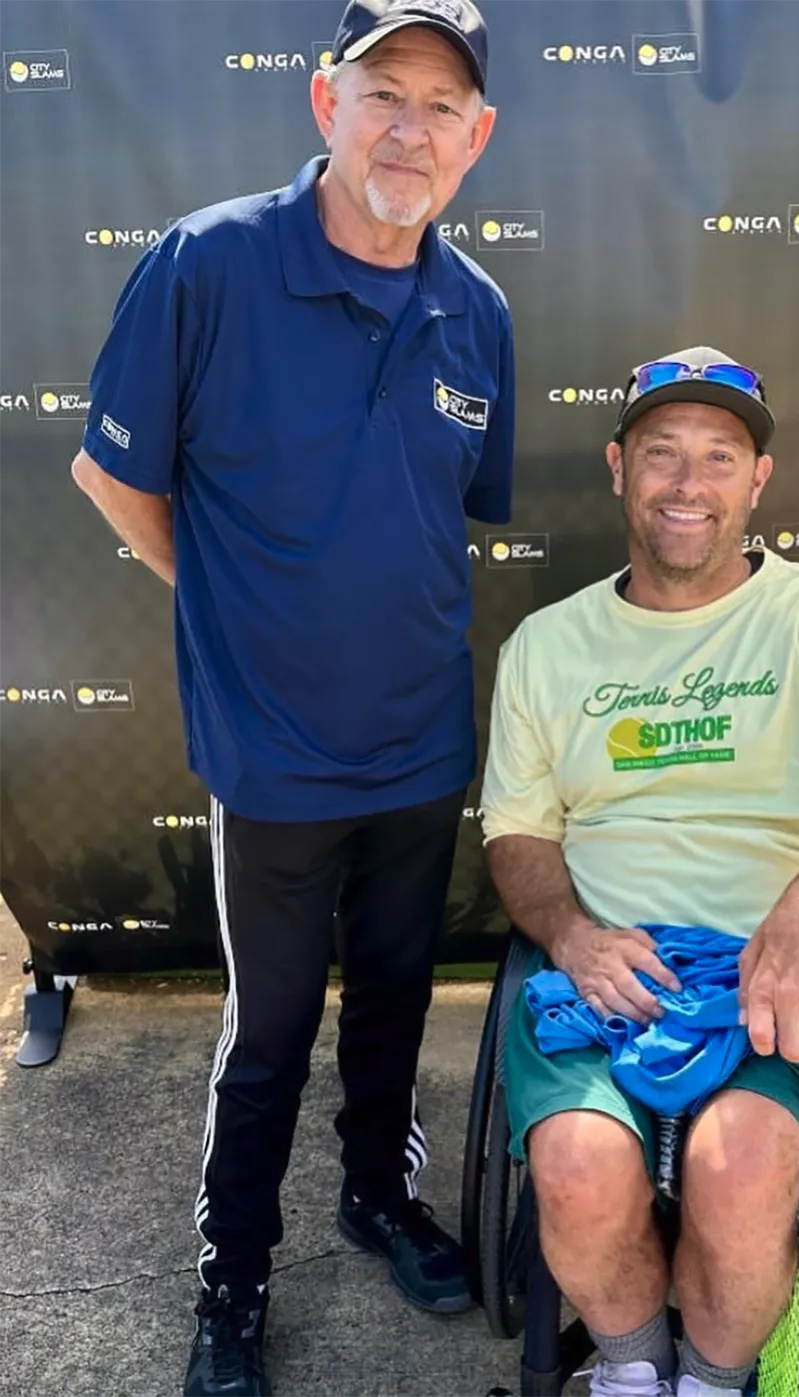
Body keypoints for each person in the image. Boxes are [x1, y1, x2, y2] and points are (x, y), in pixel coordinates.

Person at [70, 3, 508, 1393]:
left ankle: (376, 1197)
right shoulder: (208, 263)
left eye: (443, 106)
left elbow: (455, 516)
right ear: (325, 102)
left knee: (391, 999)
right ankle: (233, 1279)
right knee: (265, 1034)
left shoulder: (479, 310)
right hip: (271, 755)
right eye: (386, 92)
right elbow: (113, 474)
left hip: (422, 742)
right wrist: (223, 595)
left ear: (476, 137)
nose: (411, 129)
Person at [480, 348, 799, 1397]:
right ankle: (636, 1370)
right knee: (578, 1167)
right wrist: (569, 934)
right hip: (611, 971)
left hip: (782, 969)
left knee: (740, 1167)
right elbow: (517, 834)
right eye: (661, 455)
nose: (689, 484)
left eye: (719, 457)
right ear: (616, 466)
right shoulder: (545, 647)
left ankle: (716, 1377)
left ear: (758, 480)